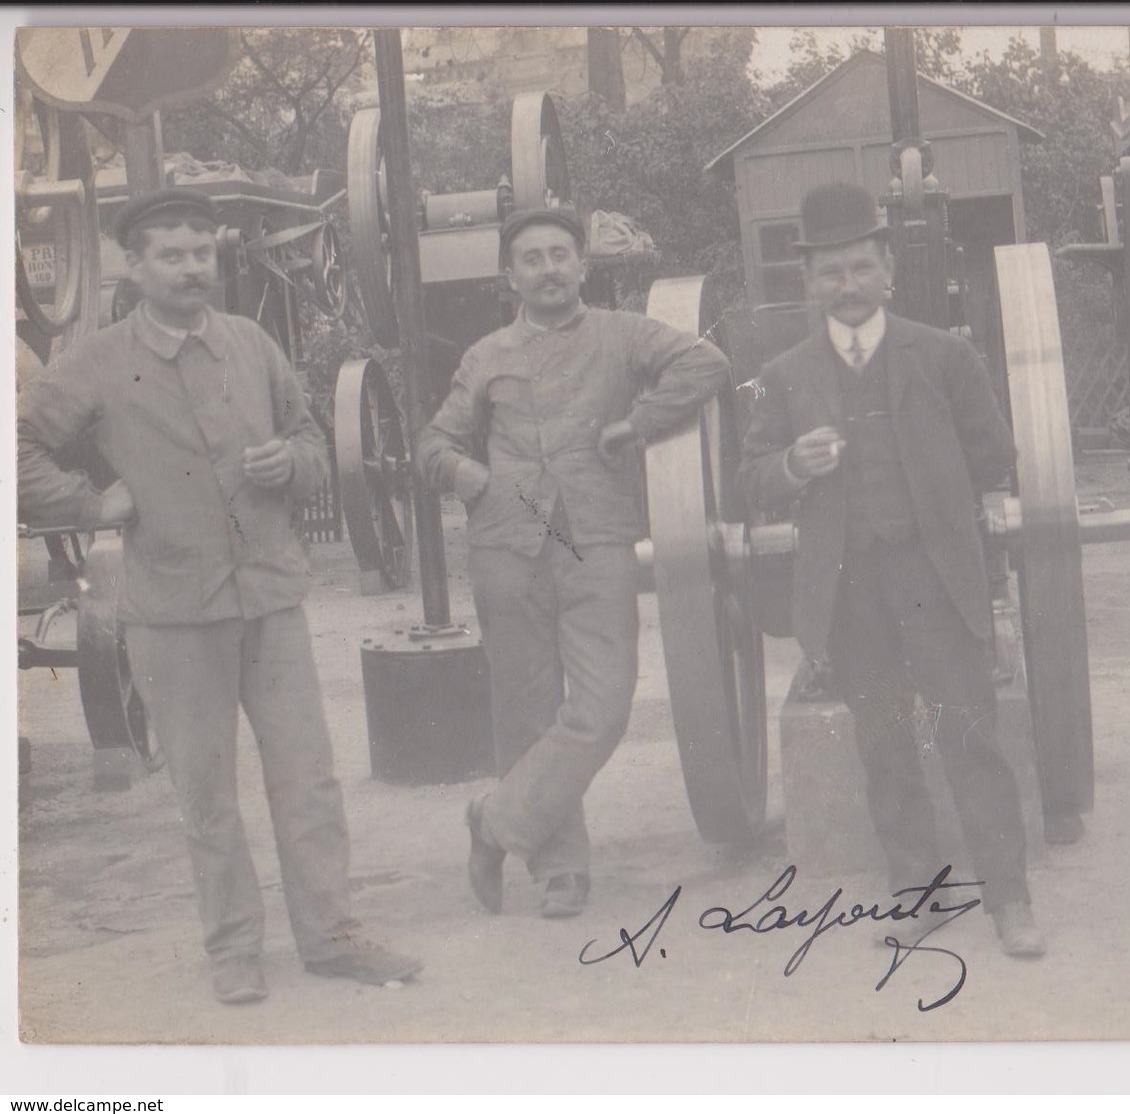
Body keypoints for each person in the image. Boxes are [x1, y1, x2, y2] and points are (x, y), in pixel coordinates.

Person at [17, 188, 422, 1004]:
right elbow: (15, 446)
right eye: (172, 254)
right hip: (172, 609)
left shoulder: (250, 344)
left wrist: (293, 462)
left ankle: (334, 936)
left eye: (203, 251)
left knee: (307, 778)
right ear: (136, 267)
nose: (192, 267)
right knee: (205, 790)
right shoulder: (95, 362)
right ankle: (234, 949)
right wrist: (93, 505)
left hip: (270, 597)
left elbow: (311, 439)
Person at [737, 182, 1044, 958]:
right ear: (808, 282)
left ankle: (1009, 899)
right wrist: (790, 466)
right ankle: (923, 896)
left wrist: (940, 506)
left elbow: (993, 456)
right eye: (830, 273)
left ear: (887, 274)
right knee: (883, 744)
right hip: (848, 591)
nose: (846, 287)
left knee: (968, 734)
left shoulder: (943, 355)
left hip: (935, 580)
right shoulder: (785, 372)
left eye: (859, 270)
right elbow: (751, 478)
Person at [420, 207, 729, 919]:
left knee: (604, 703)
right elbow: (435, 443)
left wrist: (636, 423)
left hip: (595, 539)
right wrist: (466, 476)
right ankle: (559, 870)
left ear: (583, 267)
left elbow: (704, 362)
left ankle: (495, 821)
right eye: (532, 259)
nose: (549, 268)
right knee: (526, 711)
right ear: (511, 277)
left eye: (561, 255)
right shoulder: (486, 355)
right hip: (506, 545)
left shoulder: (623, 337)